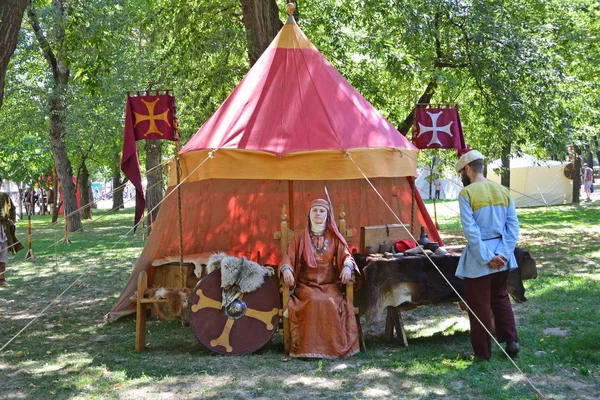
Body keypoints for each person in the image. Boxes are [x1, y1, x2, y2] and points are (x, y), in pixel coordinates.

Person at [454, 150, 520, 361]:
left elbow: (471, 231)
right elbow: (513, 228)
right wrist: (503, 253)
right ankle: (511, 341)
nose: (461, 177)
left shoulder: (467, 194)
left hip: (479, 258)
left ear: (467, 169)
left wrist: (487, 256)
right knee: (500, 297)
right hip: (502, 255)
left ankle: (482, 353)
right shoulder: (502, 190)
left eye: (461, 173)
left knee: (479, 303)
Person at [279, 198, 360, 359]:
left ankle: (330, 349)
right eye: (315, 210)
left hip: (329, 285)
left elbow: (347, 256)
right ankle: (308, 349)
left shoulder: (334, 237)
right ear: (309, 214)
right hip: (306, 286)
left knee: (329, 301)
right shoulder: (299, 238)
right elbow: (288, 257)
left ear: (327, 215)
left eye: (322, 211)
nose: (318, 214)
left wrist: (347, 266)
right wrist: (287, 269)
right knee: (315, 299)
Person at [0, 178, 24, 285]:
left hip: (4, 230)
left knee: (3, 255)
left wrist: (13, 219)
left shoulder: (5, 196)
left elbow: (12, 209)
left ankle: (1, 278)